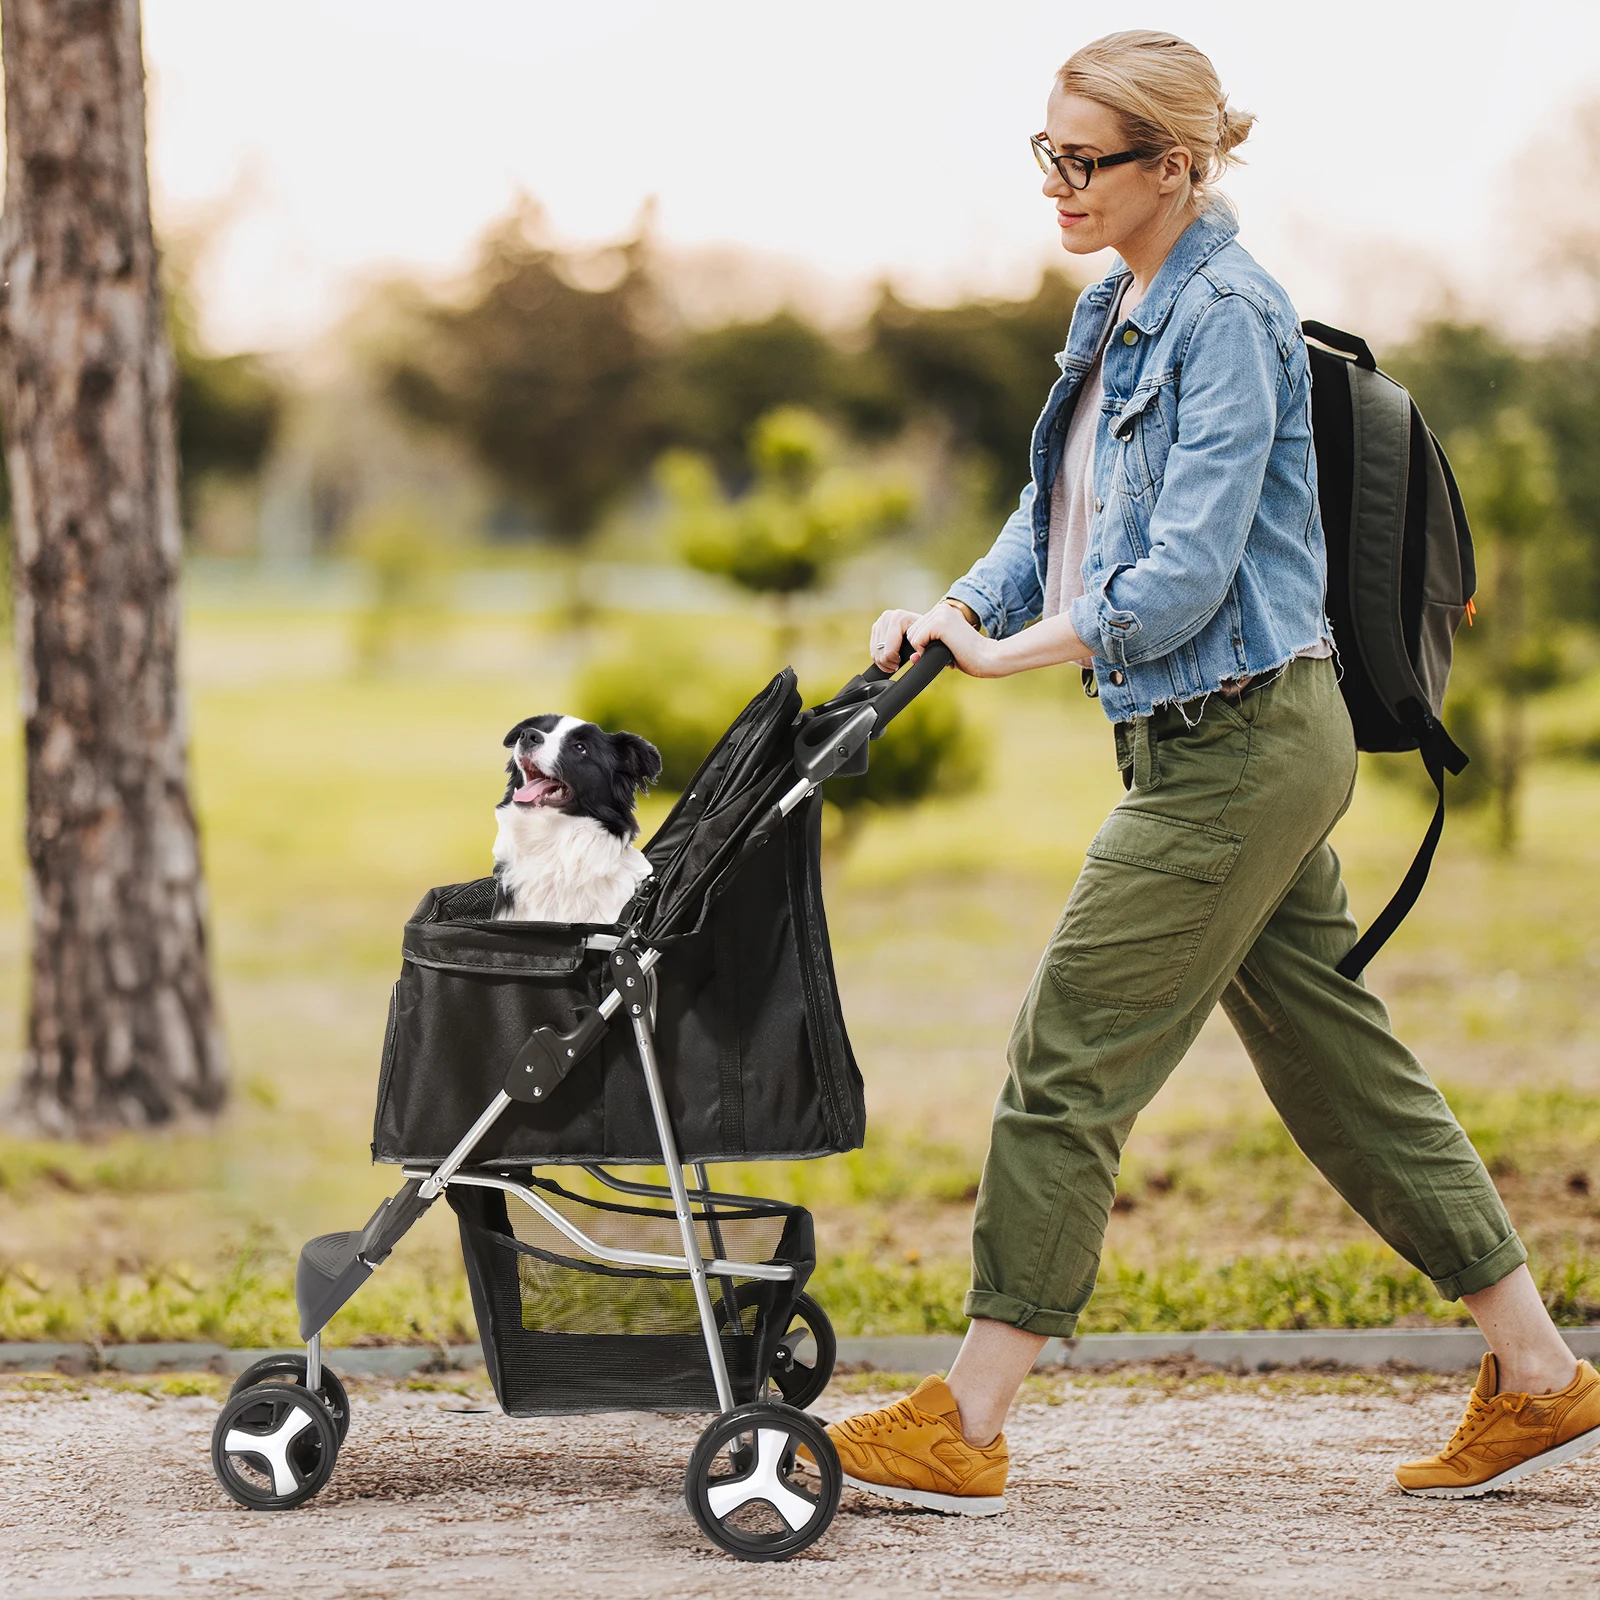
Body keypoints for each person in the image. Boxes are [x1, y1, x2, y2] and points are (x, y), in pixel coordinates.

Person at [824, 29, 1600, 1515]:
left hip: (1241, 745)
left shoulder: (1231, 314)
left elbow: (1177, 577)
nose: (1056, 184)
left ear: (1175, 163)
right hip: (1216, 743)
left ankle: (967, 1422)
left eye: (1084, 159)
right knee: (1337, 1067)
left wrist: (1016, 655)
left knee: (1066, 1062)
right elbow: (1056, 509)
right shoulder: (1113, 305)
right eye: (1044, 153)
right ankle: (1543, 1373)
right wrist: (961, 610)